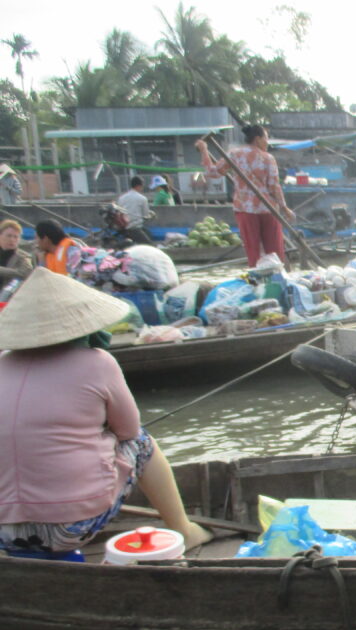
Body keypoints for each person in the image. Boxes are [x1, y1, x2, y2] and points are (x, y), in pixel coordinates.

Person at [0, 268, 213, 556]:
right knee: (142, 442)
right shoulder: (98, 362)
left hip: (4, 531)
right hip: (70, 529)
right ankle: (184, 531)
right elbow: (127, 430)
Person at [195, 125, 294, 268]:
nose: (267, 142)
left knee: (252, 250)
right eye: (266, 138)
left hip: (245, 208)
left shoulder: (235, 154)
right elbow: (274, 187)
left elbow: (213, 172)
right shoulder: (268, 158)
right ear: (258, 139)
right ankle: (278, 276)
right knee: (275, 250)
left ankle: (257, 277)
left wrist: (204, 150)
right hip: (268, 208)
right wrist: (284, 208)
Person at [116, 176, 154, 244]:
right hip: (135, 228)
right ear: (139, 186)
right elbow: (146, 215)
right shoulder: (142, 198)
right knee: (149, 246)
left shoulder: (121, 198)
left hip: (123, 229)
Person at [0, 219, 32, 293]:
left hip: (9, 295)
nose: (12, 240)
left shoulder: (23, 257)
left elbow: (25, 273)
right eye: (9, 236)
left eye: (16, 237)